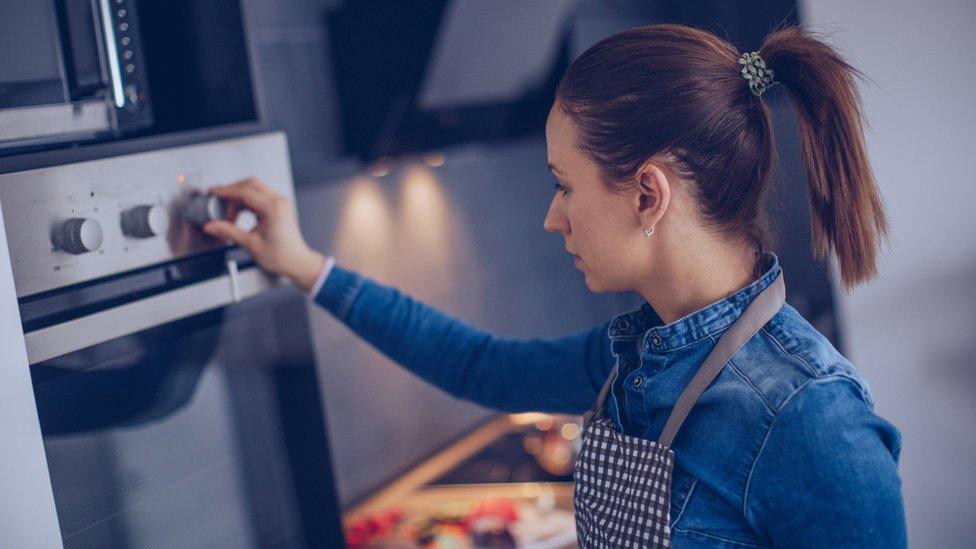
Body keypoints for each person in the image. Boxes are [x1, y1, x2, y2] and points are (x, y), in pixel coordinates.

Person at [203, 24, 906, 548]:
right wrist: (304, 266)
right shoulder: (637, 355)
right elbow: (480, 364)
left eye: (564, 186)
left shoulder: (811, 420)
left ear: (647, 195)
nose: (552, 216)